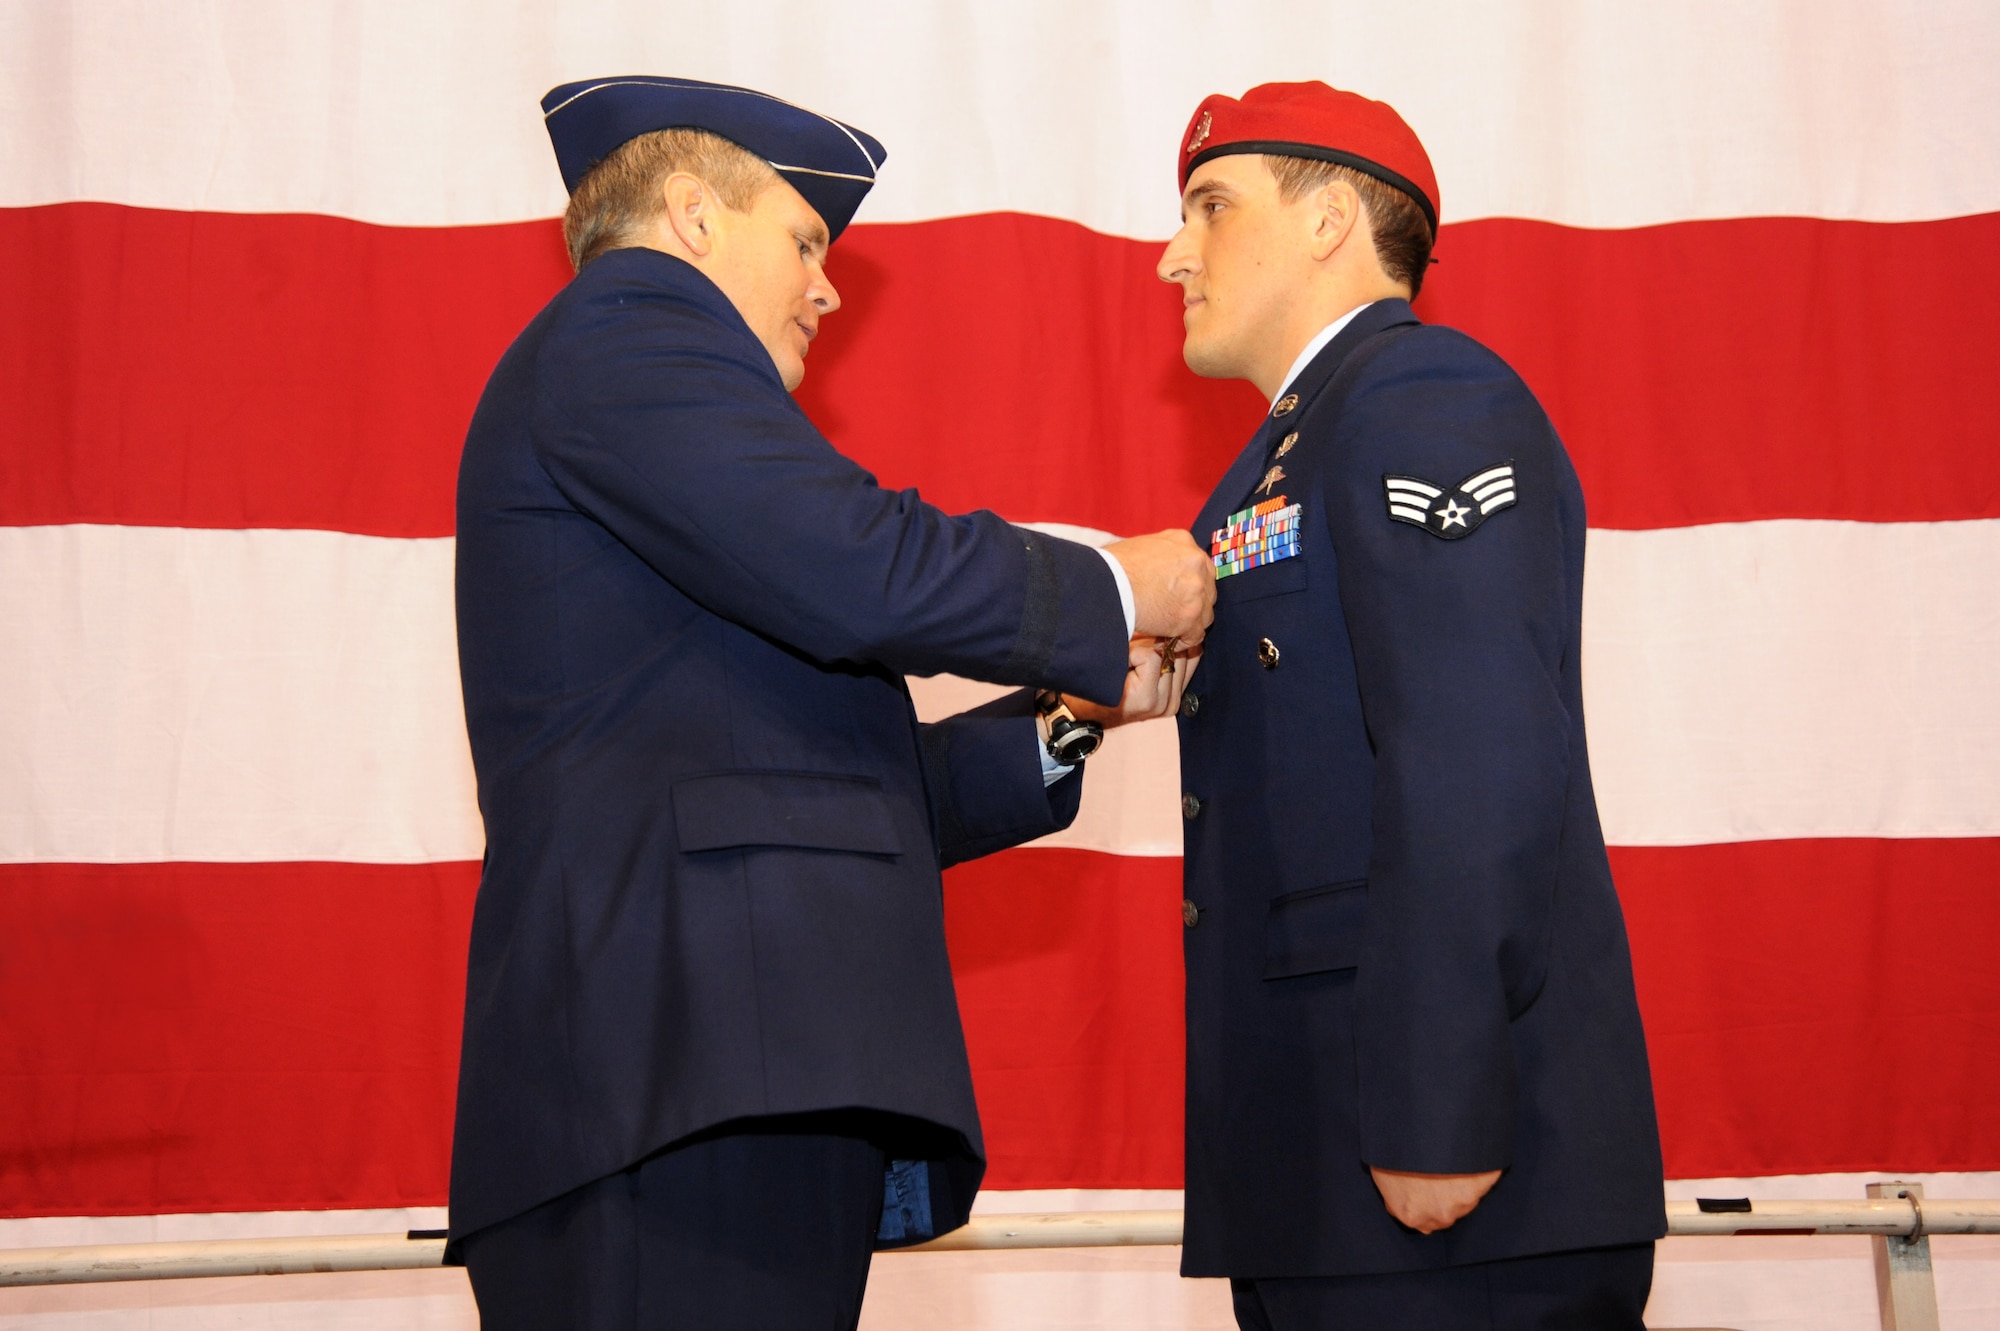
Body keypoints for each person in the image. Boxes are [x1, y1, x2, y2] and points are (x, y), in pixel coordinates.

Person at [448, 75, 1211, 1330]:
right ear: (691, 217)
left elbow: (795, 767)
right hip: (678, 1077)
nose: (827, 286)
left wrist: (1066, 715)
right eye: (804, 239)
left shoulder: (633, 384)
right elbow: (862, 566)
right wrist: (1118, 584)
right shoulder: (629, 333)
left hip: (710, 1077)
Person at [1158, 81, 1665, 1329]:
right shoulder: (1288, 451)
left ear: (1330, 217)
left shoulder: (1420, 398)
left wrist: (1436, 1104)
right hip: (1326, 1170)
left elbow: (1473, 755)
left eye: (1210, 208)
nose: (1174, 254)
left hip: (1437, 1175)